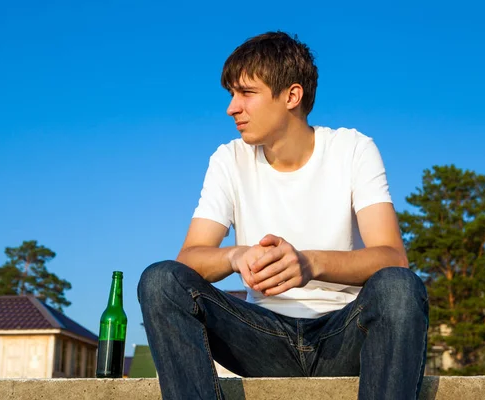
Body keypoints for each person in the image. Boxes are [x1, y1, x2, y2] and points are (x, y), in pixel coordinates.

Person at [138, 31, 429, 400]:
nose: (232, 107)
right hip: (259, 338)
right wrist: (235, 255)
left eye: (246, 93)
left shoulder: (353, 149)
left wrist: (309, 264)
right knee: (161, 280)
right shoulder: (228, 159)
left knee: (399, 288)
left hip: (343, 335)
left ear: (291, 95)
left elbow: (392, 257)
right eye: (231, 94)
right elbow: (189, 260)